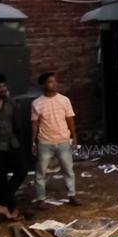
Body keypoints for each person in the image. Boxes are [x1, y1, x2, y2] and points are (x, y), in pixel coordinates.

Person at [31, 72, 80, 207]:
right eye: (50, 82)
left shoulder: (64, 100)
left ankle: (72, 195)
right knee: (41, 171)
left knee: (68, 170)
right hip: (45, 142)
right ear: (43, 85)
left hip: (63, 140)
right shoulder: (37, 103)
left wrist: (74, 137)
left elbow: (70, 119)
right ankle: (41, 199)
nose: (54, 84)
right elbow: (35, 123)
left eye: (54, 81)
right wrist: (33, 141)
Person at [0, 73, 27, 220]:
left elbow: (18, 126)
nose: (2, 89)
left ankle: (1, 205)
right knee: (0, 179)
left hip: (12, 143)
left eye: (4, 86)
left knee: (21, 171)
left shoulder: (12, 103)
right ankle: (11, 209)